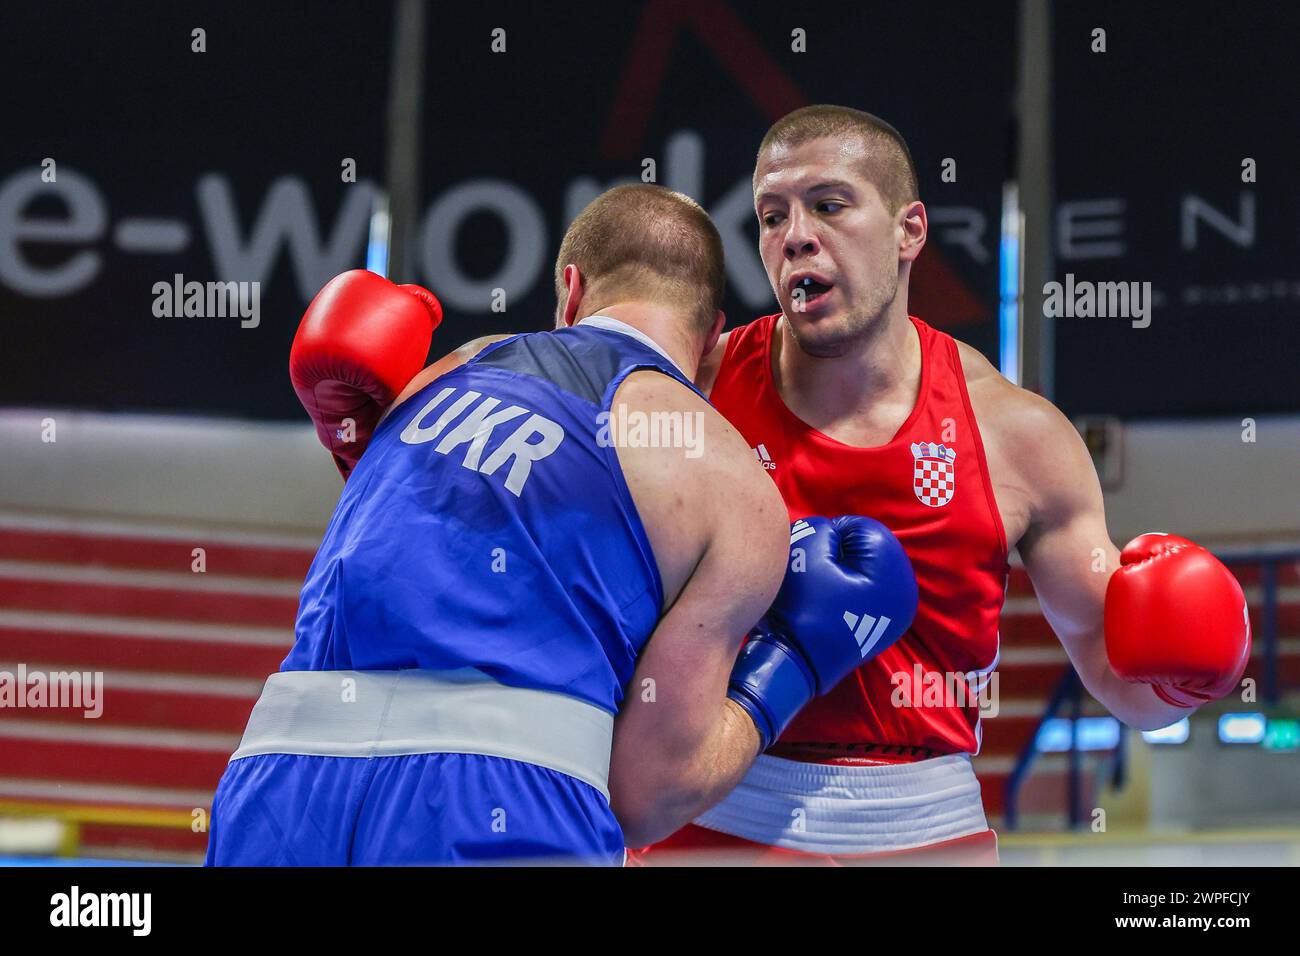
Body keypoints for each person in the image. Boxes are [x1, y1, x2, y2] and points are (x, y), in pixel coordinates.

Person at [205, 184, 916, 865]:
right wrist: (790, 662)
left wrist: (353, 438)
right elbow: (648, 792)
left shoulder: (448, 369)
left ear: (569, 291)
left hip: (282, 780)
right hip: (508, 801)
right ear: (712, 344)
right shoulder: (731, 485)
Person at [634, 105, 1252, 865]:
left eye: (828, 205)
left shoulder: (1016, 435)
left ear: (909, 231)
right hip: (716, 815)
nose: (795, 234)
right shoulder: (689, 391)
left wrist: (1185, 675)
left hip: (927, 830)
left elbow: (1114, 673)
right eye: (771, 215)